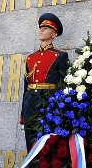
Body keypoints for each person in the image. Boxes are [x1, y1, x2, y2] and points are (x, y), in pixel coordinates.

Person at [20, 13, 69, 151]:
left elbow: (64, 84)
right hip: (30, 102)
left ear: (54, 34)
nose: (41, 30)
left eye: (46, 28)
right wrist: (23, 113)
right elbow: (26, 87)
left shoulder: (60, 56)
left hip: (48, 101)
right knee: (30, 138)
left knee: (48, 141)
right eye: (41, 27)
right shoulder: (30, 58)